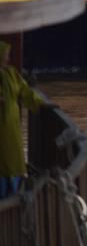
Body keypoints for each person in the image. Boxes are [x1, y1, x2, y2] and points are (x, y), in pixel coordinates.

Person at [0, 41, 43, 200]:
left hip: (11, 126)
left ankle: (14, 194)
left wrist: (39, 103)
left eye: (7, 55)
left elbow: (24, 91)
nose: (7, 58)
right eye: (5, 55)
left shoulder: (12, 73)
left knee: (14, 158)